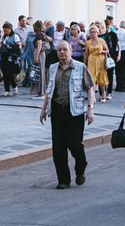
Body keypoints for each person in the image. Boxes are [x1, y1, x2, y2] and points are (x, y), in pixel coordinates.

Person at [38, 40, 95, 189]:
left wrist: (90, 108)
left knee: (75, 144)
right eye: (59, 50)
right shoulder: (52, 68)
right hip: (57, 110)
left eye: (64, 49)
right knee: (58, 147)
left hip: (75, 112)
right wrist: (43, 109)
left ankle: (80, 167)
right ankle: (63, 180)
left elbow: (89, 88)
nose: (62, 52)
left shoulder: (80, 67)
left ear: (70, 50)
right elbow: (49, 91)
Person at [85, 26, 111, 102]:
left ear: (98, 33)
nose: (93, 34)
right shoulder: (88, 42)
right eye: (92, 32)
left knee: (101, 77)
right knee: (92, 78)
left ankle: (103, 95)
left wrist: (102, 52)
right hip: (91, 60)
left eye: (95, 32)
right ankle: (92, 97)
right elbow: (86, 54)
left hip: (100, 60)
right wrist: (84, 63)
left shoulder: (101, 41)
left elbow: (107, 50)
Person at [0, 21, 22, 96]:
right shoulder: (3, 37)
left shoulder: (15, 36)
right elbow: (0, 44)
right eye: (4, 30)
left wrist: (11, 47)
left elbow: (19, 46)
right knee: (5, 73)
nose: (5, 32)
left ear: (10, 29)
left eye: (7, 30)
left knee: (9, 73)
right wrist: (0, 46)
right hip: (4, 56)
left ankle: (13, 86)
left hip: (11, 57)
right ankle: (7, 89)